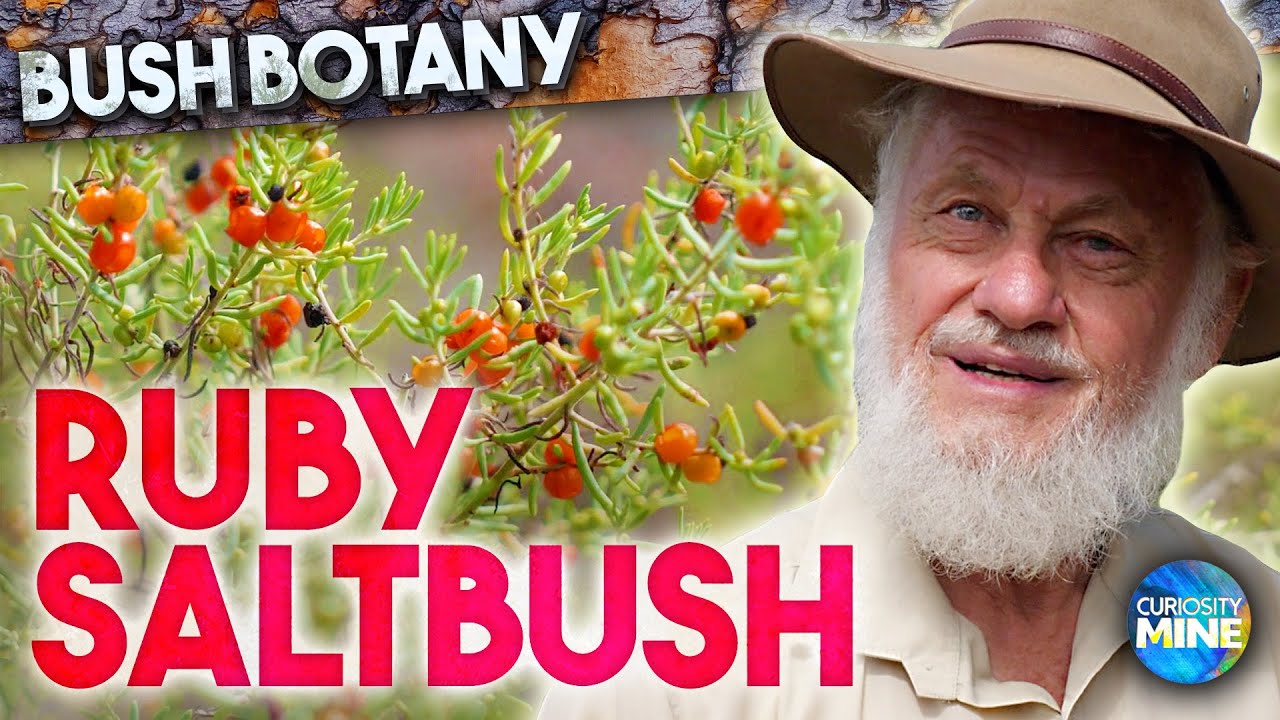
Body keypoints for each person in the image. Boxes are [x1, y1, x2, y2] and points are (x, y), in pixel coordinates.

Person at [540, 0, 1280, 716]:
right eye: (966, 213)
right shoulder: (670, 683)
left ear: (1212, 312)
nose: (1018, 297)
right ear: (883, 240)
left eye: (1099, 243)